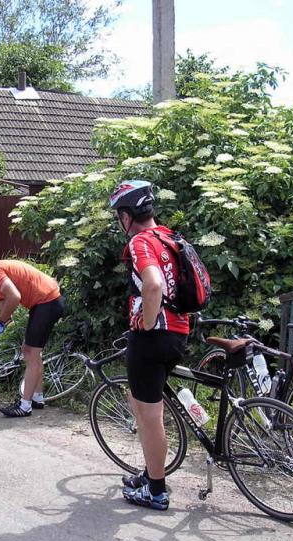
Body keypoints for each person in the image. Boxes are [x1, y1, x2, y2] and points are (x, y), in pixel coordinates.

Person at [110, 180, 190, 511]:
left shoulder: (141, 242)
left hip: (153, 337)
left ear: (128, 216)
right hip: (179, 331)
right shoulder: (169, 237)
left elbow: (154, 284)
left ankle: (156, 490)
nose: (119, 222)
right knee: (142, 404)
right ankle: (150, 472)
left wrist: (146, 321)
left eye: (119, 215)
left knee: (149, 415)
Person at [0, 259, 65, 417]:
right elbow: (5, 317)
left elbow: (14, 297)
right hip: (46, 303)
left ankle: (25, 406)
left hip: (46, 302)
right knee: (31, 352)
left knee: (30, 353)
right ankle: (37, 398)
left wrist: (0, 322)